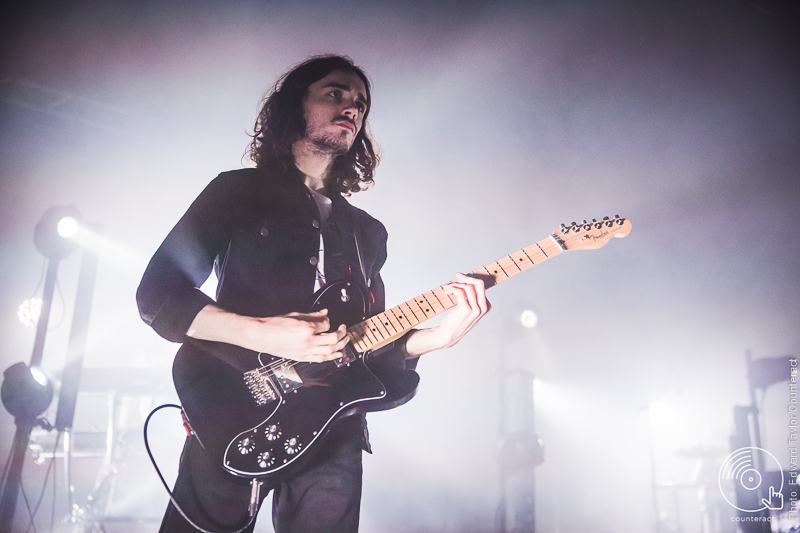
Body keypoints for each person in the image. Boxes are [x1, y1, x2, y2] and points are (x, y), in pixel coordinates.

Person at [137, 54, 489, 533]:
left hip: (333, 424)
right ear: (294, 105)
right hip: (234, 404)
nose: (352, 108)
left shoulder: (368, 232)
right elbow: (158, 293)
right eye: (335, 93)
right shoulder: (236, 192)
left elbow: (365, 345)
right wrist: (265, 334)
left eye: (360, 104)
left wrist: (436, 339)